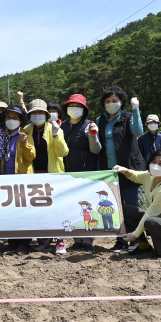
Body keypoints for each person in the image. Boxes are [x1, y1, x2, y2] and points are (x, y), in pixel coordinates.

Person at [96, 86, 145, 252]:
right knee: (115, 207)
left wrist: (136, 108)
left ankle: (137, 240)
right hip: (109, 172)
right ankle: (121, 241)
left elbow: (138, 131)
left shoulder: (129, 116)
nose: (111, 104)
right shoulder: (99, 121)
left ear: (122, 102)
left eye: (114, 101)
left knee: (131, 206)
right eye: (108, 101)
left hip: (128, 169)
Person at [23, 99, 69, 254]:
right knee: (39, 210)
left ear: (46, 114)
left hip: (53, 174)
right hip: (34, 175)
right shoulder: (26, 129)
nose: (37, 116)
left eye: (40, 113)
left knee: (57, 209)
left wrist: (56, 135)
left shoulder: (55, 128)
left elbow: (63, 152)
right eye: (33, 113)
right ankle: (43, 241)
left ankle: (60, 242)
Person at [60, 94, 102, 253]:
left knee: (87, 207)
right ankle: (77, 240)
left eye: (78, 106)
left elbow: (95, 150)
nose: (74, 109)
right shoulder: (63, 126)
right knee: (73, 207)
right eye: (71, 106)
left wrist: (93, 135)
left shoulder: (89, 125)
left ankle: (88, 240)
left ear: (84, 109)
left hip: (86, 173)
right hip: (68, 173)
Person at [0, 104, 35, 255]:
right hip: (5, 180)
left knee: (23, 213)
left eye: (15, 118)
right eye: (8, 117)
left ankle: (24, 243)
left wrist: (24, 143)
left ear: (20, 120)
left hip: (22, 179)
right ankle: (12, 242)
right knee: (9, 213)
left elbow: (32, 155)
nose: (11, 120)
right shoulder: (3, 135)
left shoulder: (25, 134)